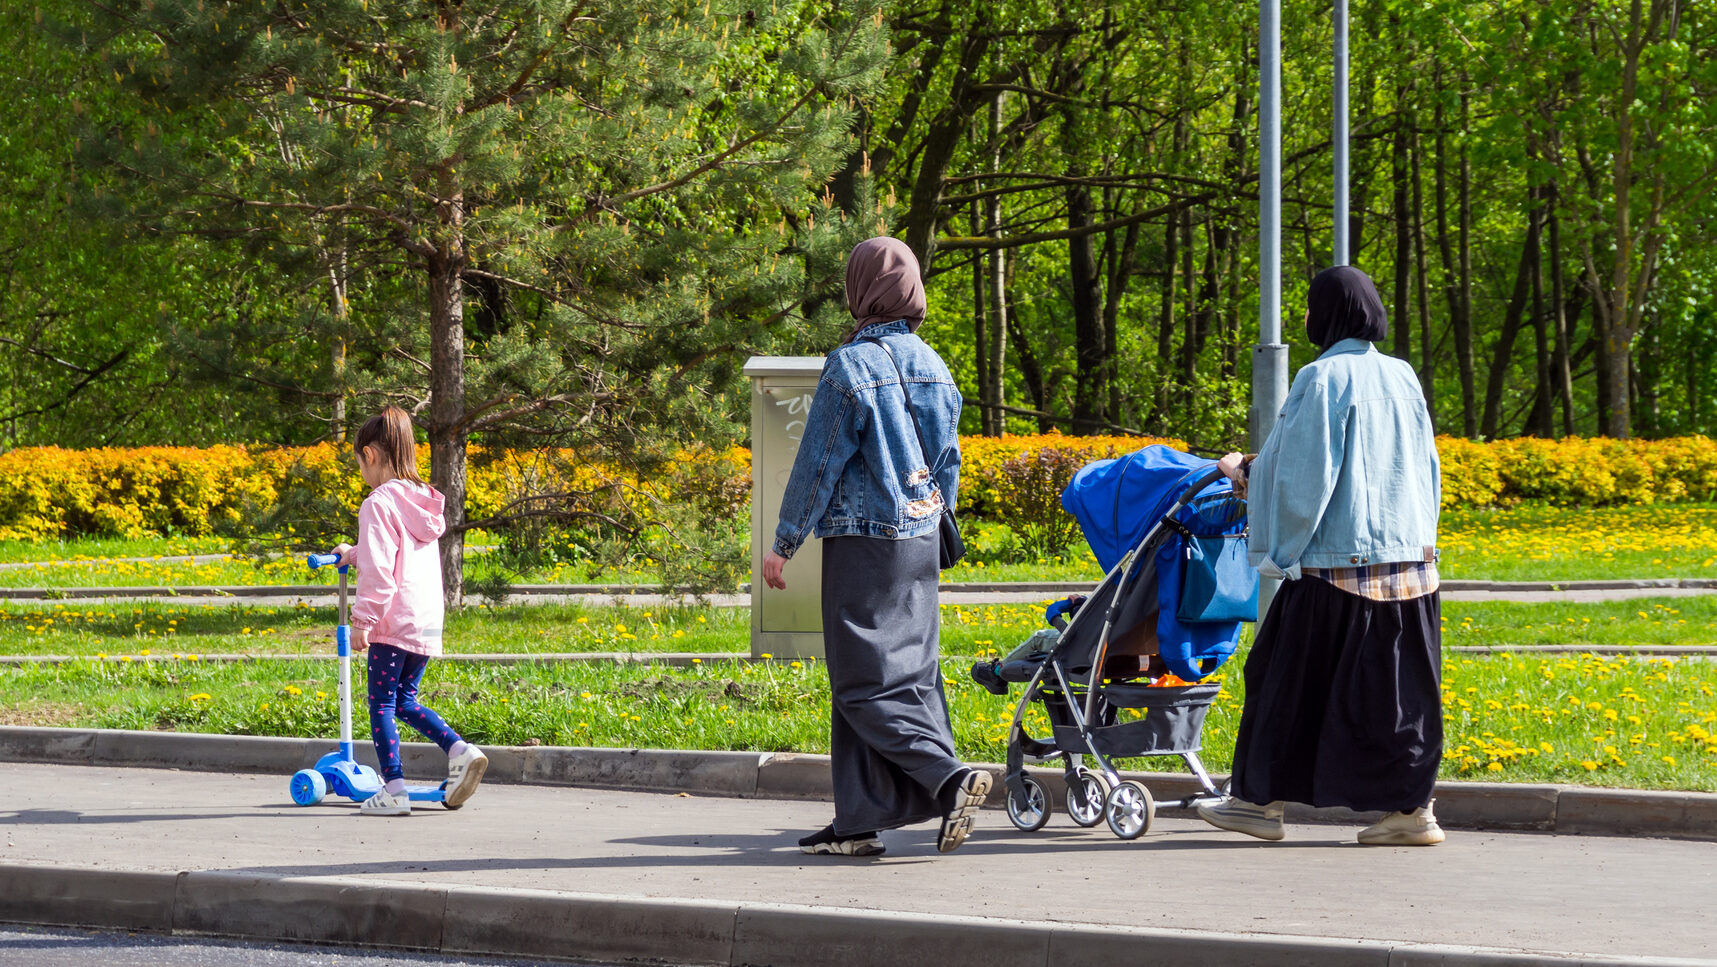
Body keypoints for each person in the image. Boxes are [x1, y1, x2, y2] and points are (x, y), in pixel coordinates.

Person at [1198, 265, 1446, 846]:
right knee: (1396, 696)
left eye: (1310, 305)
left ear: (1328, 312)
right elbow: (1427, 469)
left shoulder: (1321, 378)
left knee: (1281, 682)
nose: (1305, 317)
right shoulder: (1403, 375)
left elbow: (1304, 477)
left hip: (1337, 566)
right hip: (1410, 565)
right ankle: (1411, 813)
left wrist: (1246, 478)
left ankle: (1258, 804)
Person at [761, 236, 992, 857]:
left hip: (863, 548)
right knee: (909, 676)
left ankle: (949, 780)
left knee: (863, 683)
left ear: (859, 289)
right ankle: (858, 822)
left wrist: (785, 540)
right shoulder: (936, 366)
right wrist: (936, 522)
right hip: (918, 539)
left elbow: (817, 463)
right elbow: (947, 464)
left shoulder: (849, 366)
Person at [329, 406, 487, 817]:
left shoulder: (377, 503)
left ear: (372, 455)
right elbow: (393, 554)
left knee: (381, 703)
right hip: (424, 621)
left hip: (392, 619)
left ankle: (394, 788)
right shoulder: (420, 501)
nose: (361, 472)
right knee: (403, 699)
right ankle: (460, 750)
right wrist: (353, 553)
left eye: (359, 463)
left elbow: (382, 573)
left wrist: (362, 621)